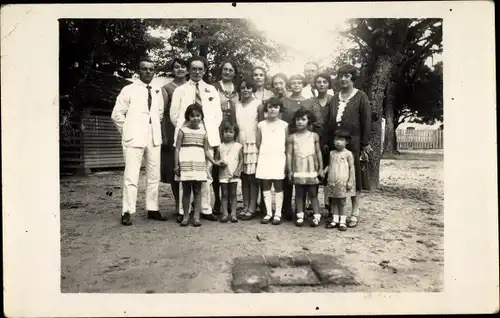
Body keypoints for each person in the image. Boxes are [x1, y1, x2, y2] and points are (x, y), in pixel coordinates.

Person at [111, 57, 167, 226]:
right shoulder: (128, 90)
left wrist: (154, 130)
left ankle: (152, 208)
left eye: (151, 69)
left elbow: (159, 114)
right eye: (144, 69)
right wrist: (127, 131)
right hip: (134, 137)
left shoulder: (157, 91)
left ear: (154, 71)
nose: (148, 72)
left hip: (153, 137)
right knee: (131, 175)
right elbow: (117, 115)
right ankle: (127, 211)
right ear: (139, 70)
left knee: (153, 175)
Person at [170, 56, 222, 222]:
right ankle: (182, 210)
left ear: (205, 71)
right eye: (194, 69)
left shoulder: (211, 90)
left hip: (206, 137)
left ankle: (205, 209)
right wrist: (187, 130)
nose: (197, 72)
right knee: (185, 175)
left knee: (205, 174)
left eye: (200, 69)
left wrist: (207, 131)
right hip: (187, 139)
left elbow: (217, 114)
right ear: (189, 70)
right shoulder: (180, 90)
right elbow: (174, 115)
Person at [324, 64, 373, 228]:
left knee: (353, 177)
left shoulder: (360, 96)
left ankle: (354, 212)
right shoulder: (334, 98)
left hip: (354, 143)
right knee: (336, 175)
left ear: (353, 78)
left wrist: (365, 143)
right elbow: (328, 122)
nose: (343, 79)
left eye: (347, 75)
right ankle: (336, 212)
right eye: (341, 76)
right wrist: (327, 141)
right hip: (335, 142)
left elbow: (366, 121)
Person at [174, 104, 221, 227]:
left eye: (198, 116)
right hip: (185, 164)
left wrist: (213, 161)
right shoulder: (182, 131)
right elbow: (177, 149)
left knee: (197, 191)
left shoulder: (204, 132)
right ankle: (185, 216)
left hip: (199, 164)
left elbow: (206, 151)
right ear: (187, 117)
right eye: (192, 116)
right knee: (186, 192)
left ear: (202, 117)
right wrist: (176, 166)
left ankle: (196, 217)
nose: (195, 118)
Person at [280, 74, 315, 221]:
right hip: (287, 139)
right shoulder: (284, 101)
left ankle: (301, 208)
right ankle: (286, 207)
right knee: (288, 173)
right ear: (289, 85)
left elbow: (312, 123)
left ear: (303, 85)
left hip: (303, 142)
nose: (296, 85)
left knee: (302, 173)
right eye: (293, 83)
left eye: (299, 83)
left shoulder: (308, 102)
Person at [160, 58, 188, 223]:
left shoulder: (192, 86)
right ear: (172, 70)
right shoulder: (167, 89)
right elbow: (163, 114)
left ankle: (191, 204)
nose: (180, 69)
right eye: (176, 67)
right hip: (172, 131)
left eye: (183, 66)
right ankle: (179, 205)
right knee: (175, 168)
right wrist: (164, 135)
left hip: (190, 130)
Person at [286, 108, 324, 227]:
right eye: (298, 119)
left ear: (309, 121)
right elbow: (289, 154)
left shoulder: (314, 136)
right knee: (299, 193)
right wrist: (289, 170)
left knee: (313, 193)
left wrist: (321, 168)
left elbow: (318, 152)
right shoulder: (292, 137)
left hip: (311, 167)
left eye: (303, 119)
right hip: (298, 167)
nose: (300, 122)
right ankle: (300, 215)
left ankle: (316, 216)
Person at [212, 60, 239, 215]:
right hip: (218, 129)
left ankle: (231, 200)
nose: (227, 72)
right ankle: (218, 199)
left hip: (233, 129)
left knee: (232, 163)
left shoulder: (238, 90)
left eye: (230, 70)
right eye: (225, 69)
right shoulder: (214, 88)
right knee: (219, 164)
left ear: (234, 73)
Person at [255, 97, 288, 225]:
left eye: (276, 107)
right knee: (265, 184)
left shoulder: (284, 125)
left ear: (280, 109)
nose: (273, 109)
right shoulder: (261, 125)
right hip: (265, 156)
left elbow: (285, 142)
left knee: (278, 185)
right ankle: (269, 212)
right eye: (270, 107)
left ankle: (278, 213)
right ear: (266, 109)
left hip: (278, 157)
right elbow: (258, 142)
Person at [235, 76, 261, 221]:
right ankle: (245, 205)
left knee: (252, 177)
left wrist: (259, 144)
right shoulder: (237, 104)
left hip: (253, 143)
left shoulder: (258, 104)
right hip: (241, 142)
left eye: (248, 87)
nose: (245, 90)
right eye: (243, 87)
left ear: (253, 89)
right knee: (244, 177)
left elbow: (262, 126)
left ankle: (252, 207)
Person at [310, 72, 334, 212]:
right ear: (315, 85)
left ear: (328, 84)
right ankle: (312, 203)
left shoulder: (334, 100)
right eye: (319, 82)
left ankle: (329, 203)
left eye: (324, 82)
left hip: (331, 138)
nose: (322, 84)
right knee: (314, 170)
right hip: (315, 137)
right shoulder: (311, 102)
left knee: (329, 171)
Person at [324, 130, 356, 231]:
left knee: (342, 202)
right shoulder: (332, 153)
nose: (338, 142)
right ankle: (335, 220)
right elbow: (330, 165)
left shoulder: (348, 154)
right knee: (333, 201)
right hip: (333, 181)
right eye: (336, 139)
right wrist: (323, 172)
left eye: (341, 140)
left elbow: (352, 168)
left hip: (342, 182)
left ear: (347, 142)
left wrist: (350, 180)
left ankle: (342, 221)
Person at [217, 121, 243, 223]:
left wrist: (237, 171)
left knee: (233, 193)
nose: (228, 134)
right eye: (226, 131)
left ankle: (233, 214)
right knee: (224, 193)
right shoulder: (220, 146)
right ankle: (224, 214)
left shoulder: (238, 146)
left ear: (235, 133)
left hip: (234, 173)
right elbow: (216, 160)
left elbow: (241, 160)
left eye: (231, 132)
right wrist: (220, 162)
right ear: (222, 133)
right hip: (223, 173)